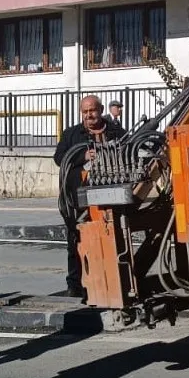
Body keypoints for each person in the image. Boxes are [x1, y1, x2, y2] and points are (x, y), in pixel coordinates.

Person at [53, 95, 126, 299]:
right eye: (85, 112)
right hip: (77, 197)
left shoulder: (116, 132)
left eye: (92, 111)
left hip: (109, 196)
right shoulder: (72, 134)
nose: (89, 115)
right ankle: (75, 284)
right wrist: (82, 157)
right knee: (76, 241)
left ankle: (109, 282)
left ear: (101, 109)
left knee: (111, 239)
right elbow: (59, 158)